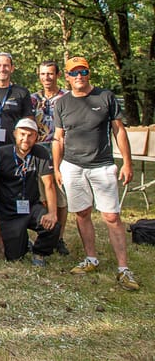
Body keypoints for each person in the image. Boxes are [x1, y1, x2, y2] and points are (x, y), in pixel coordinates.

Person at [52, 56, 139, 290]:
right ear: (67, 77)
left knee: (111, 216)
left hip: (102, 165)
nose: (79, 76)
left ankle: (123, 268)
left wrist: (127, 163)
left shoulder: (105, 97)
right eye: (74, 73)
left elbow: (119, 131)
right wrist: (57, 167)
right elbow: (58, 138)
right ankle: (91, 258)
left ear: (89, 73)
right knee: (82, 213)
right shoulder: (61, 103)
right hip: (72, 166)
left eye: (83, 71)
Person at [0, 118, 59, 266]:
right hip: (9, 210)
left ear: (36, 137)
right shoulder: (1, 153)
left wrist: (52, 212)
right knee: (14, 257)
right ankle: (23, 242)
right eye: (22, 134)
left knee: (53, 225)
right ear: (15, 134)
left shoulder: (40, 152)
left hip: (32, 206)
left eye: (30, 135)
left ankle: (39, 252)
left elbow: (49, 184)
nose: (25, 139)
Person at [30, 60, 70, 255]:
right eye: (43, 74)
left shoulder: (67, 98)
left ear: (58, 75)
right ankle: (47, 233)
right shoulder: (32, 99)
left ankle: (59, 237)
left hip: (63, 152)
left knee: (61, 198)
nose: (47, 77)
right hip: (38, 152)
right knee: (43, 196)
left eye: (50, 74)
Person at [0, 52, 33, 147]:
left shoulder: (22, 92)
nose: (2, 69)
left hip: (12, 146)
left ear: (12, 68)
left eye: (6, 66)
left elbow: (28, 120)